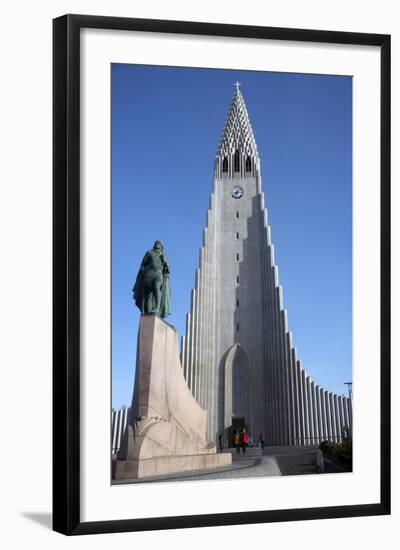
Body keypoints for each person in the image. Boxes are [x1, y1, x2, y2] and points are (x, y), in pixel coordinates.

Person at [133, 240, 171, 318]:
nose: (157, 244)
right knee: (148, 295)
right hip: (149, 274)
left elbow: (168, 270)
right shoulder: (149, 253)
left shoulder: (163, 256)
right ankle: (148, 311)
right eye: (156, 243)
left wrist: (165, 262)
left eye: (159, 243)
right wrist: (143, 272)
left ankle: (156, 309)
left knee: (157, 288)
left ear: (161, 247)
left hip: (158, 274)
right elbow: (142, 265)